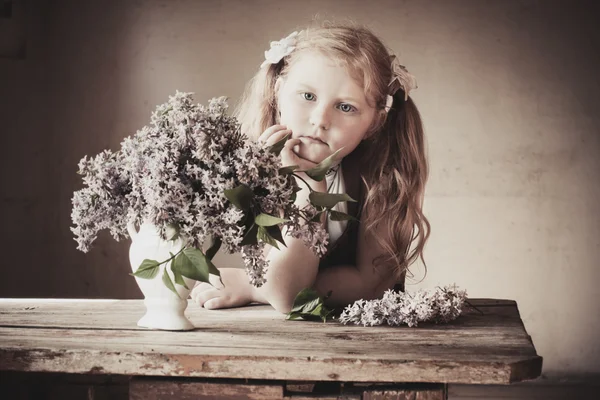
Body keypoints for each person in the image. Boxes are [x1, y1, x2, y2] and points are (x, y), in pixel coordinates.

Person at [191, 22, 430, 313]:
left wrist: (256, 287)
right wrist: (276, 286)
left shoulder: (383, 177)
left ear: (375, 123)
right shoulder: (253, 168)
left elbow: (296, 295)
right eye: (307, 96)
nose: (320, 119)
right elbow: (287, 290)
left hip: (370, 337)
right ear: (278, 94)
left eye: (345, 107)